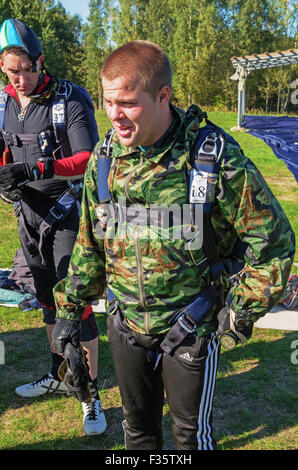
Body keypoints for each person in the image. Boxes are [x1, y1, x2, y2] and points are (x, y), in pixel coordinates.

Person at [51, 40, 295, 450]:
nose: (114, 115)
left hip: (190, 330)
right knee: (137, 435)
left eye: (127, 103)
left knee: (189, 439)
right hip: (124, 325)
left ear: (162, 96)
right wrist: (69, 312)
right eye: (108, 102)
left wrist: (238, 314)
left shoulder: (211, 158)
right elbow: (90, 242)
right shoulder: (105, 159)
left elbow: (274, 243)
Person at [0, 19, 106, 436]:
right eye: (12, 71)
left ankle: (90, 394)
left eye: (27, 69)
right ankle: (60, 373)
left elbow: (88, 156)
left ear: (41, 61)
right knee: (46, 300)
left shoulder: (69, 99)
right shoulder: (4, 100)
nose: (22, 79)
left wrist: (42, 166)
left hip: (67, 215)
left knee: (73, 303)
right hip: (28, 216)